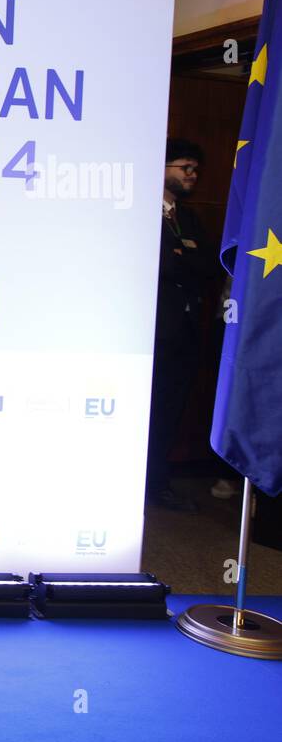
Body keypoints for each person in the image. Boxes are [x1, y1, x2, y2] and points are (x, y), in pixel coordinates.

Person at [147, 138, 217, 511]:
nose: (192, 175)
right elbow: (165, 265)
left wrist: (183, 256)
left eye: (195, 170)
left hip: (186, 329)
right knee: (150, 408)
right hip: (154, 329)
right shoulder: (142, 212)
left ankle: (158, 482)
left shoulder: (189, 218)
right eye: (184, 167)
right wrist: (182, 258)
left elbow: (208, 265)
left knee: (171, 410)